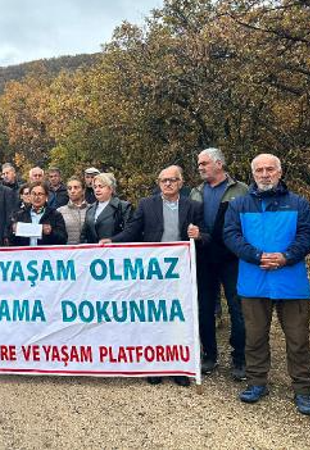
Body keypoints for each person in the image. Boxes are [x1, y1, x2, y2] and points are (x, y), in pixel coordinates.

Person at [224, 154, 310, 415]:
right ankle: (257, 383)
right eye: (259, 170)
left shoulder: (298, 203)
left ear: (280, 172)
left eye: (270, 169)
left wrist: (287, 256)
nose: (265, 174)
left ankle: (303, 389)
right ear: (252, 174)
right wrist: (256, 256)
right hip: (254, 280)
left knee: (298, 339)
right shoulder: (239, 204)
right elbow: (230, 235)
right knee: (254, 337)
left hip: (291, 281)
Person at [106, 165, 209, 387]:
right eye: (164, 180)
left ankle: (178, 366)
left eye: (172, 180)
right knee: (153, 315)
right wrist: (113, 241)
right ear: (158, 183)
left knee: (178, 317)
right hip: (153, 270)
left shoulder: (194, 206)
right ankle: (154, 365)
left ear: (181, 183)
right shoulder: (146, 204)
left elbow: (208, 236)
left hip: (182, 272)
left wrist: (199, 235)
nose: (168, 184)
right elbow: (133, 230)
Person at [189, 148, 248, 379]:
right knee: (204, 308)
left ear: (219, 164)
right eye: (199, 164)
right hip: (203, 258)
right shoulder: (195, 192)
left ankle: (240, 358)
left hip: (232, 259)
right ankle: (209, 356)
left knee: (238, 309)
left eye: (204, 163)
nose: (200, 167)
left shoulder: (241, 190)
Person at [10, 181, 68, 246]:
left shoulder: (55, 215)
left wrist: (51, 232)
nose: (36, 197)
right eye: (34, 194)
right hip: (25, 255)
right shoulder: (20, 215)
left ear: (46, 196)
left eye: (40, 194)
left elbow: (63, 239)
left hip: (46, 254)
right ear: (30, 196)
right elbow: (12, 242)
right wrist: (13, 231)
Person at [80, 173, 132, 244]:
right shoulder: (90, 209)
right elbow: (84, 235)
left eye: (100, 187)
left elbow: (129, 232)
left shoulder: (123, 207)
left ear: (111, 189)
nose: (97, 190)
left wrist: (112, 240)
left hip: (115, 251)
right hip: (94, 253)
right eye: (95, 187)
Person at [57, 176, 89, 245]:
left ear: (83, 190)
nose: (72, 191)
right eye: (69, 188)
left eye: (76, 187)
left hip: (89, 252)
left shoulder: (92, 209)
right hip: (68, 252)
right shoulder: (59, 211)